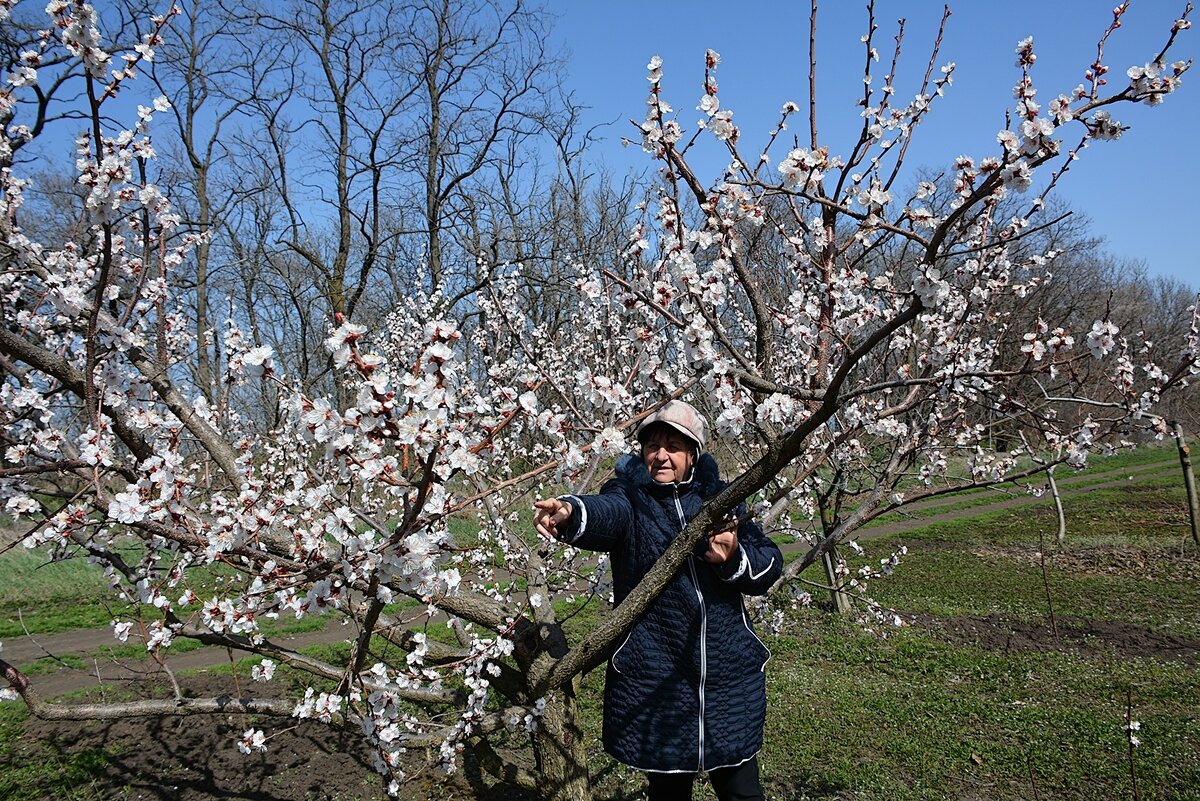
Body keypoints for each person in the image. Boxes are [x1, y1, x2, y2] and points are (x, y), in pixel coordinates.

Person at [534, 400, 782, 801]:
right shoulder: (630, 498)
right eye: (653, 445)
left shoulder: (722, 500)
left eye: (674, 445)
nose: (661, 454)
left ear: (693, 454)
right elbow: (605, 513)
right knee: (668, 792)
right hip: (657, 674)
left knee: (742, 791)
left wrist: (733, 558)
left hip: (727, 673)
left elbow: (769, 565)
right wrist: (568, 511)